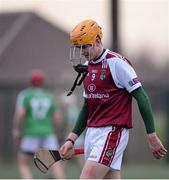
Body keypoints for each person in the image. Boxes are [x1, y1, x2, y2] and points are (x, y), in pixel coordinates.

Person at [59, 19, 167, 179]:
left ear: (97, 40)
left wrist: (151, 135)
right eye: (78, 48)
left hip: (112, 132)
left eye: (84, 46)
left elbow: (142, 97)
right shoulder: (87, 68)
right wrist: (71, 138)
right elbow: (87, 107)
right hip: (92, 133)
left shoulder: (116, 63)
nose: (82, 52)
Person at [12, 69, 65, 179]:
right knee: (55, 163)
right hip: (48, 133)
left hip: (31, 133)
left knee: (23, 163)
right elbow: (57, 117)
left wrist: (16, 130)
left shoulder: (25, 95)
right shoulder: (49, 96)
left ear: (30, 81)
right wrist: (57, 132)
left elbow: (20, 114)